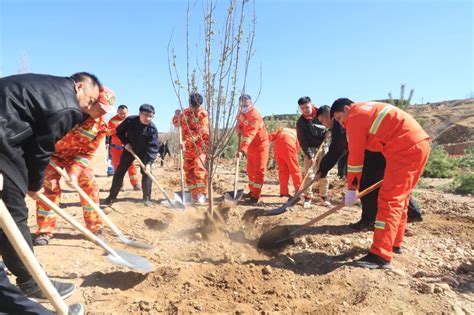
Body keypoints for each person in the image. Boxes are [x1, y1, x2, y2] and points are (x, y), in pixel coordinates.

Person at [0, 72, 103, 309]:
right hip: (4, 143)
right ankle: (32, 281)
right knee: (15, 215)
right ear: (79, 87)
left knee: (9, 210)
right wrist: (34, 185)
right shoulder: (67, 107)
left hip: (8, 138)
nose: (92, 105)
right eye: (91, 99)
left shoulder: (50, 86)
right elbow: (41, 148)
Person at [331, 98, 430, 269]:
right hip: (419, 144)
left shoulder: (354, 117)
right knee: (401, 198)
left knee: (388, 200)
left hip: (404, 149)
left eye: (340, 118)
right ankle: (394, 243)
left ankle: (380, 255)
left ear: (347, 109)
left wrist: (352, 189)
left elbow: (355, 158)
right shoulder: (367, 110)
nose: (341, 124)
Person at [316, 104, 423, 231]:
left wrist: (323, 171)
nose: (324, 124)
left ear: (330, 116)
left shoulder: (344, 124)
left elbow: (337, 150)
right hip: (383, 152)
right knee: (390, 187)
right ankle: (408, 215)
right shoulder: (353, 117)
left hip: (376, 155)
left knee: (374, 187)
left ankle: (373, 221)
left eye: (323, 121)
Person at [34, 88, 115, 246]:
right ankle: (44, 230)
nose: (102, 113)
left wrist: (74, 173)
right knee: (49, 186)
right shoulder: (65, 111)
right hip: (52, 155)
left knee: (89, 184)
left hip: (76, 157)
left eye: (106, 110)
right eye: (101, 108)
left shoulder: (99, 126)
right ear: (91, 102)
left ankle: (95, 228)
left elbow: (87, 153)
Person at [103, 104, 160, 207]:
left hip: (144, 152)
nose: (148, 118)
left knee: (147, 173)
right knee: (119, 171)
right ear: (139, 114)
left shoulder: (152, 129)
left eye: (151, 116)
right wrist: (125, 143)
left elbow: (153, 147)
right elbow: (119, 132)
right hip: (130, 149)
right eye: (145, 115)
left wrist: (148, 163)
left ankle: (147, 198)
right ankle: (111, 197)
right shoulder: (130, 121)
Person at [172, 93, 209, 204]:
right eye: (192, 106)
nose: (194, 108)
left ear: (200, 105)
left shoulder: (203, 115)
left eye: (196, 106)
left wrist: (184, 142)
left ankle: (202, 194)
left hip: (200, 147)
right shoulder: (186, 112)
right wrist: (176, 116)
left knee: (199, 168)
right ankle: (193, 195)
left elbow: (200, 134)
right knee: (189, 171)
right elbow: (177, 124)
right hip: (188, 148)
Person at [296, 97, 330, 208]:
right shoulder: (301, 122)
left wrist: (329, 132)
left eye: (307, 107)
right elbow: (302, 141)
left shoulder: (321, 114)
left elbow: (332, 124)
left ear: (312, 105)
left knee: (325, 172)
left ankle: (323, 197)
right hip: (310, 149)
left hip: (323, 147)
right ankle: (307, 197)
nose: (305, 110)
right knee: (309, 174)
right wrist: (310, 155)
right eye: (302, 108)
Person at [236, 94, 269, 205]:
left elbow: (250, 134)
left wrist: (242, 150)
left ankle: (255, 196)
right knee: (250, 170)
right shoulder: (241, 113)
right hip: (251, 146)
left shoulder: (255, 116)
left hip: (260, 145)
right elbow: (239, 123)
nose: (244, 107)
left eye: (246, 105)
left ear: (251, 103)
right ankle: (252, 191)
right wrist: (239, 128)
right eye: (242, 105)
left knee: (259, 171)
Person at [107, 105, 141, 190]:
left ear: (127, 112)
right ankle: (119, 185)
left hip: (128, 148)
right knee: (117, 167)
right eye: (121, 113)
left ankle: (135, 184)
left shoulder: (131, 121)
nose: (123, 115)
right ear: (117, 112)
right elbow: (108, 132)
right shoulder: (112, 121)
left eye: (124, 113)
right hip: (116, 148)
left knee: (131, 165)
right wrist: (118, 130)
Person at [268, 127, 302, 197]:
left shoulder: (283, 129)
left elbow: (272, 136)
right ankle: (299, 192)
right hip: (289, 148)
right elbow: (297, 147)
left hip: (277, 149)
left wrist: (262, 141)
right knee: (295, 170)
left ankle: (283, 192)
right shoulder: (298, 133)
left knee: (283, 171)